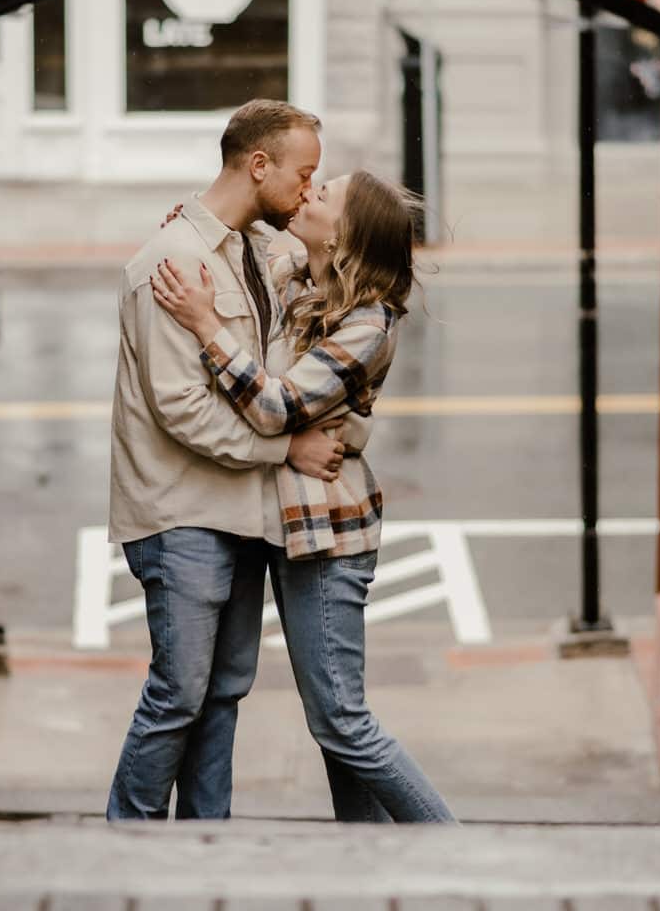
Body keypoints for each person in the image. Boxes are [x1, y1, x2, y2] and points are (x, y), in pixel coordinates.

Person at [149, 169, 456, 823]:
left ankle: (452, 845)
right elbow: (244, 258)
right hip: (284, 525)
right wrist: (192, 233)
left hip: (331, 534)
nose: (309, 193)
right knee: (333, 733)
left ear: (345, 232)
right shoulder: (299, 276)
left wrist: (206, 326)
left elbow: (274, 406)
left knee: (342, 720)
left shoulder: (368, 322)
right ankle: (367, 861)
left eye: (326, 194)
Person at [105, 99, 355, 820]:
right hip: (181, 513)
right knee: (179, 691)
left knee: (222, 692)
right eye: (304, 175)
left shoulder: (252, 251)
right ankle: (127, 839)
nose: (310, 190)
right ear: (257, 165)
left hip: (241, 512)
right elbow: (180, 408)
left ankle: (207, 847)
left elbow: (289, 328)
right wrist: (287, 447)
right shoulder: (172, 262)